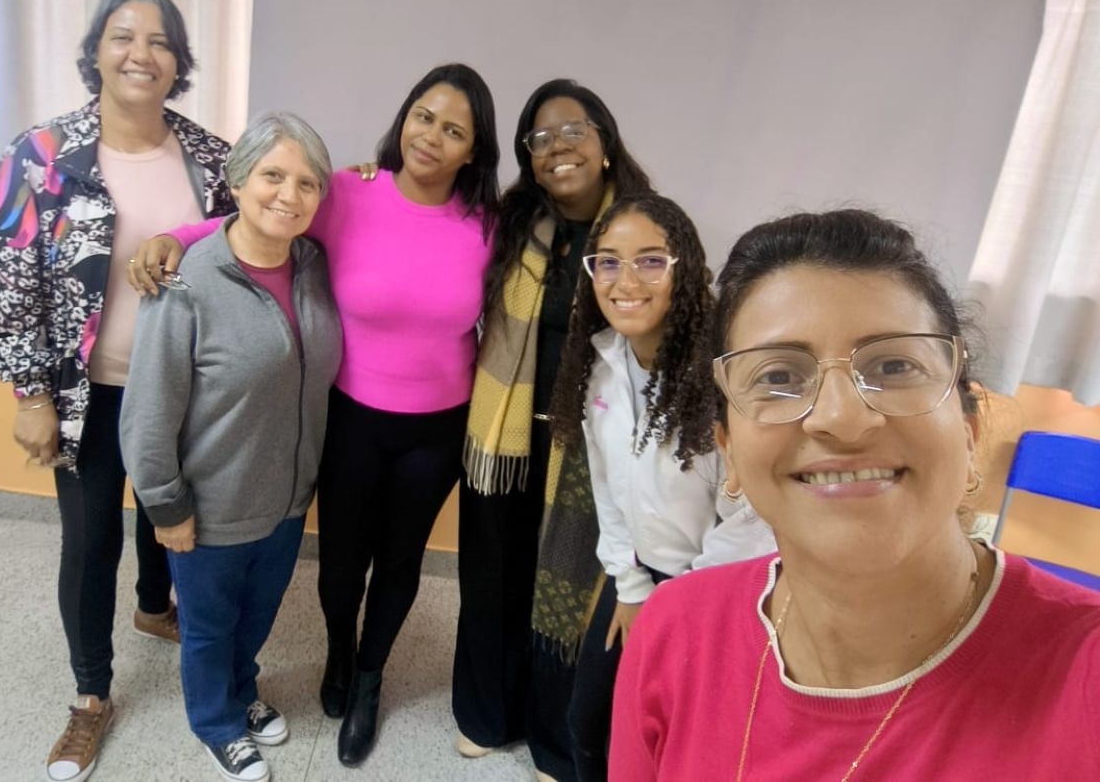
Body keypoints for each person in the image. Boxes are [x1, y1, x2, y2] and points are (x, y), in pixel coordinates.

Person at [610, 209, 1100, 780]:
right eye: (778, 377)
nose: (841, 418)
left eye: (893, 365)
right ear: (730, 452)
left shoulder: (1083, 678)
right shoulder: (675, 630)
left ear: (969, 435)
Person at [127, 63, 501, 767]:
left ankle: (368, 679)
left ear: (473, 150)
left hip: (437, 427)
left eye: (455, 130)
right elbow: (261, 217)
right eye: (424, 116)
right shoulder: (351, 193)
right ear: (405, 117)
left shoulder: (488, 226)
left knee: (399, 562)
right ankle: (337, 654)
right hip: (351, 416)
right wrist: (175, 236)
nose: (432, 136)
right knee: (340, 564)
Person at [0, 0, 233, 782]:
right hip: (85, 392)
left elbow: (245, 245)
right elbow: (10, 286)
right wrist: (30, 395)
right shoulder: (42, 156)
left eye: (160, 42)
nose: (140, 54)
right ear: (96, 52)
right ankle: (91, 696)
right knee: (90, 543)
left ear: (179, 62)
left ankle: (155, 607)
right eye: (123, 36)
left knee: (168, 511)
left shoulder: (212, 158)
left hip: (181, 388)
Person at [120, 113, 341, 782]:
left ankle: (241, 691)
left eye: (307, 183)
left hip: (288, 497)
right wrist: (166, 507)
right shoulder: (186, 280)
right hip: (210, 506)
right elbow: (148, 410)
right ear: (237, 182)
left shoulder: (313, 266)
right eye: (273, 175)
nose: (289, 195)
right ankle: (215, 723)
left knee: (257, 615)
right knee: (209, 626)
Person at [454, 79, 651, 782]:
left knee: (566, 594)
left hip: (589, 449)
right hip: (502, 438)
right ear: (528, 158)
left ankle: (557, 740)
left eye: (574, 132)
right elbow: (426, 217)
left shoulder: (640, 232)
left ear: (605, 144)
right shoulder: (510, 224)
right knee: (491, 581)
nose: (557, 148)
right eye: (540, 139)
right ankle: (486, 715)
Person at [548, 193, 776, 780]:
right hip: (638, 577)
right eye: (608, 262)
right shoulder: (601, 364)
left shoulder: (724, 383)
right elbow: (607, 491)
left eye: (650, 260)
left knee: (674, 745)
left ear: (685, 271)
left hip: (717, 594)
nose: (626, 281)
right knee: (587, 724)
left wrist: (676, 607)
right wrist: (629, 587)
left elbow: (749, 523)